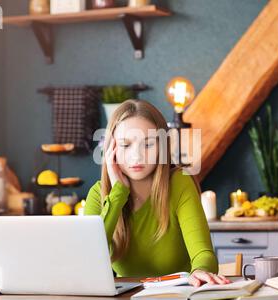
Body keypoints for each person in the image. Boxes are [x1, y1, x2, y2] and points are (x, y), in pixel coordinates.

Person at [84, 99, 230, 287]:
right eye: (125, 145)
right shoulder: (98, 194)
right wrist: (118, 193)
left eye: (148, 144)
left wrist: (200, 271)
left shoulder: (179, 182)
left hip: (180, 296)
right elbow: (88, 259)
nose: (136, 155)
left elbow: (203, 253)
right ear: (111, 149)